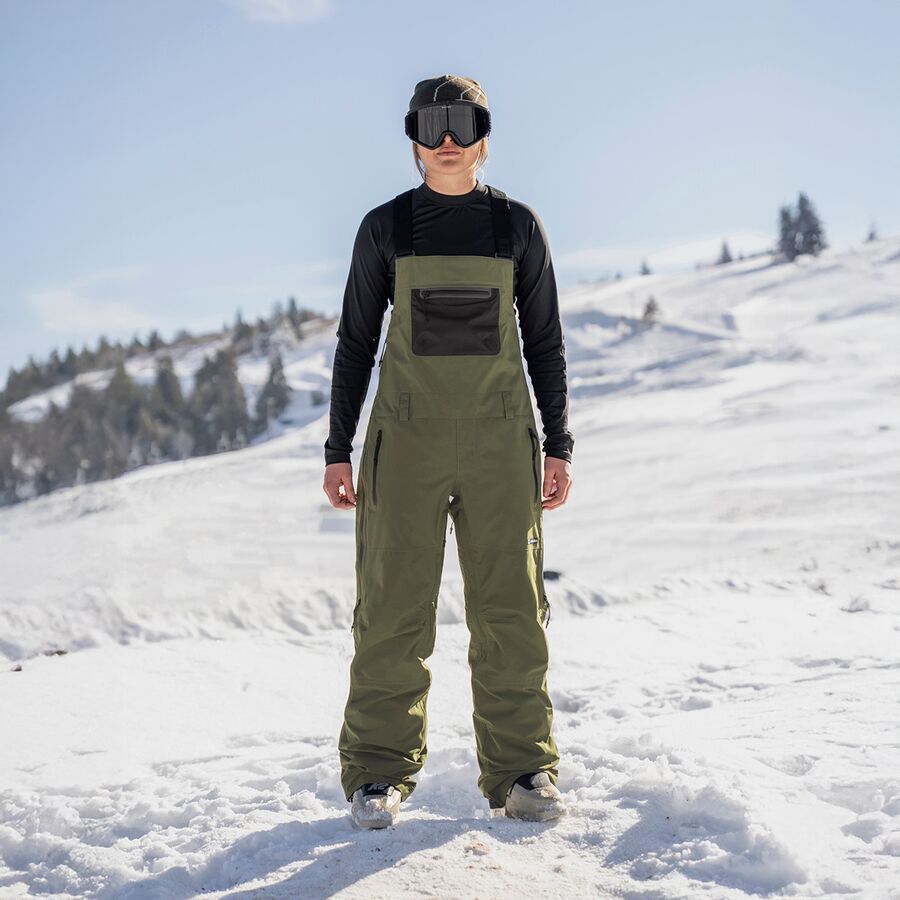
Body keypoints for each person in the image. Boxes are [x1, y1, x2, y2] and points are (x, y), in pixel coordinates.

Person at [322, 74, 574, 829]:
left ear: (484, 135)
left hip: (501, 440)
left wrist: (558, 443)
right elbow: (356, 341)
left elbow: (545, 341)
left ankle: (523, 771)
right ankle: (378, 776)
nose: (448, 140)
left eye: (462, 123)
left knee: (512, 610)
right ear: (414, 139)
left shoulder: (516, 227)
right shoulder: (386, 228)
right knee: (392, 608)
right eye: (432, 126)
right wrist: (338, 448)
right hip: (405, 443)